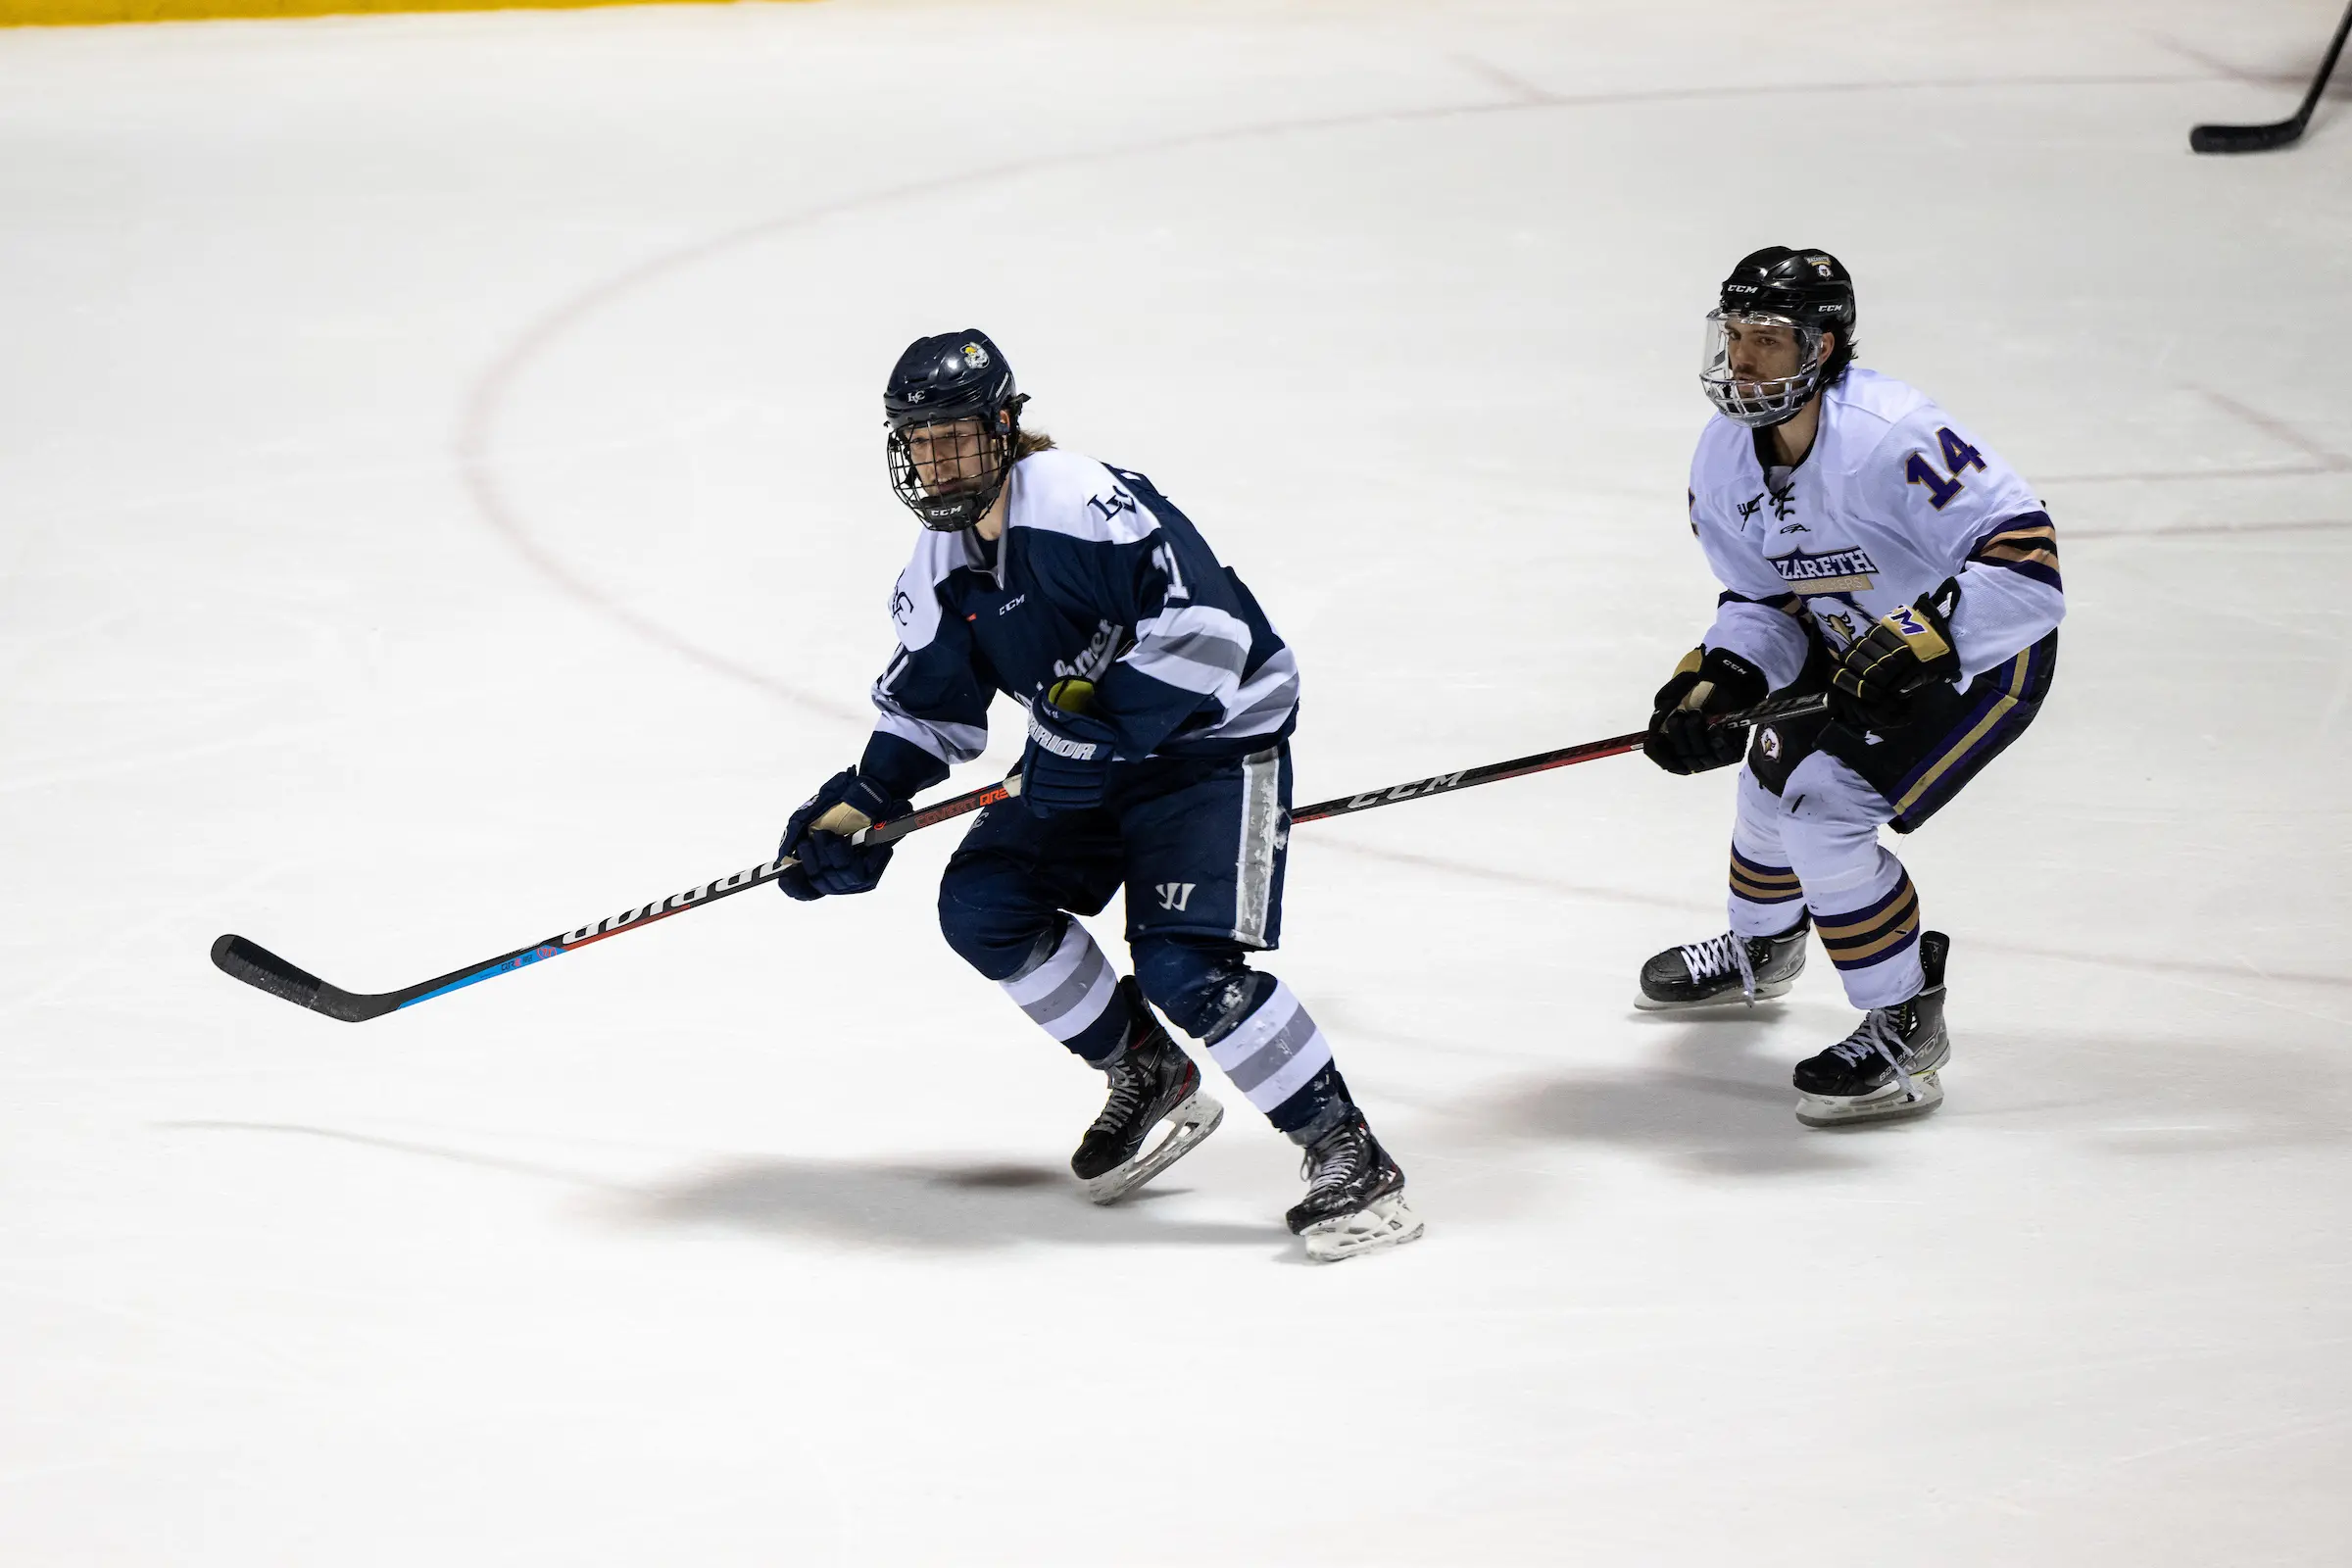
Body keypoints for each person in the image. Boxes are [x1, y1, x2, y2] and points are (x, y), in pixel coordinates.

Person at [776, 329, 1423, 1261]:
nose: (936, 458)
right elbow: (934, 714)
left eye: (954, 434)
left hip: (1210, 746)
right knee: (983, 902)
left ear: (1003, 429)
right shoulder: (939, 565)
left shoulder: (1078, 501)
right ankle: (1144, 1068)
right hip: (1086, 757)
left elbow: (1209, 633)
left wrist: (1098, 729)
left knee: (1185, 970)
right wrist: (859, 804)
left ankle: (1349, 1154)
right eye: (918, 441)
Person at [1638, 248, 2064, 1127]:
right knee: (1765, 774)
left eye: (1769, 339)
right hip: (1847, 644)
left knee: (1824, 808)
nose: (1744, 359)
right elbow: (1761, 600)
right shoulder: (1723, 457)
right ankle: (1766, 947)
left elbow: (2029, 568)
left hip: (1980, 656)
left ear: (1823, 348)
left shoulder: (1889, 434)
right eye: (1735, 335)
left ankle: (1907, 1025)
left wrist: (1919, 641)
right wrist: (1719, 681)